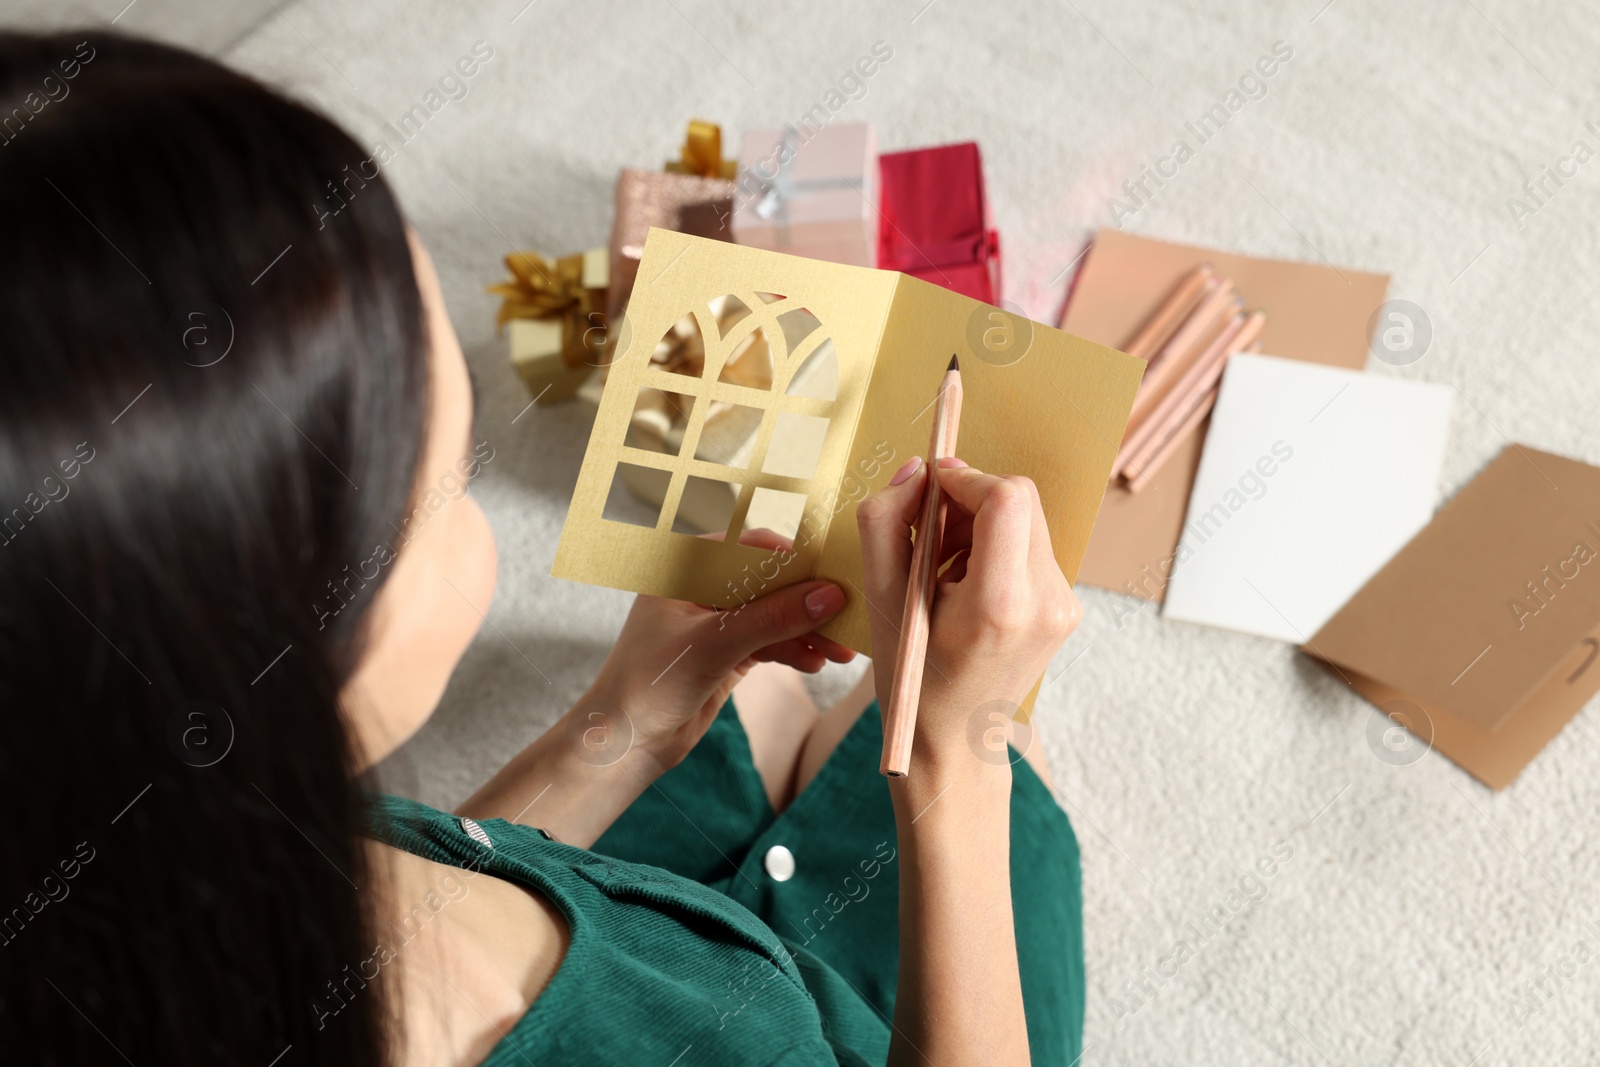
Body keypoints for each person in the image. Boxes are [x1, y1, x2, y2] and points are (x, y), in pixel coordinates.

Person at [0, 30, 1085, 1066]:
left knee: (762, 702)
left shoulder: (139, 857)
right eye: (449, 474)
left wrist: (619, 725)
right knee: (926, 735)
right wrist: (958, 759)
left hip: (610, 909)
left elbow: (414, 882)